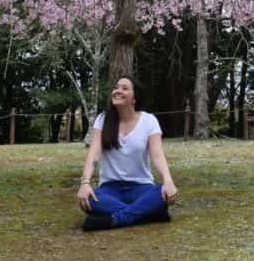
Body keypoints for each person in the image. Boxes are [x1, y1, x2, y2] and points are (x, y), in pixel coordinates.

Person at [76, 75, 178, 231]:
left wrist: (168, 181)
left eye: (124, 88)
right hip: (110, 188)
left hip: (141, 187)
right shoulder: (102, 120)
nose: (118, 91)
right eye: (116, 87)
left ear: (134, 99)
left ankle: (113, 220)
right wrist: (85, 183)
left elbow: (157, 155)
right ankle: (148, 214)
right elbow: (94, 153)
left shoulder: (149, 121)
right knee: (90, 199)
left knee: (160, 194)